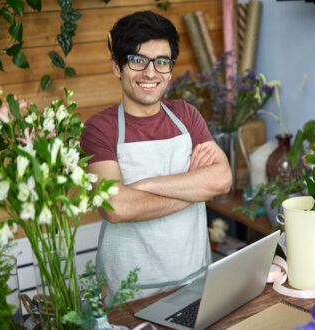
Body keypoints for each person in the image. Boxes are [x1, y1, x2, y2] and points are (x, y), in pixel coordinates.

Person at [80, 11, 232, 304]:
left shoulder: (187, 116)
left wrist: (143, 185)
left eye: (161, 62)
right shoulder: (99, 128)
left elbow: (222, 180)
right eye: (138, 60)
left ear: (170, 70)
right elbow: (115, 207)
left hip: (195, 281)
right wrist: (195, 188)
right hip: (128, 293)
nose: (150, 73)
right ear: (117, 66)